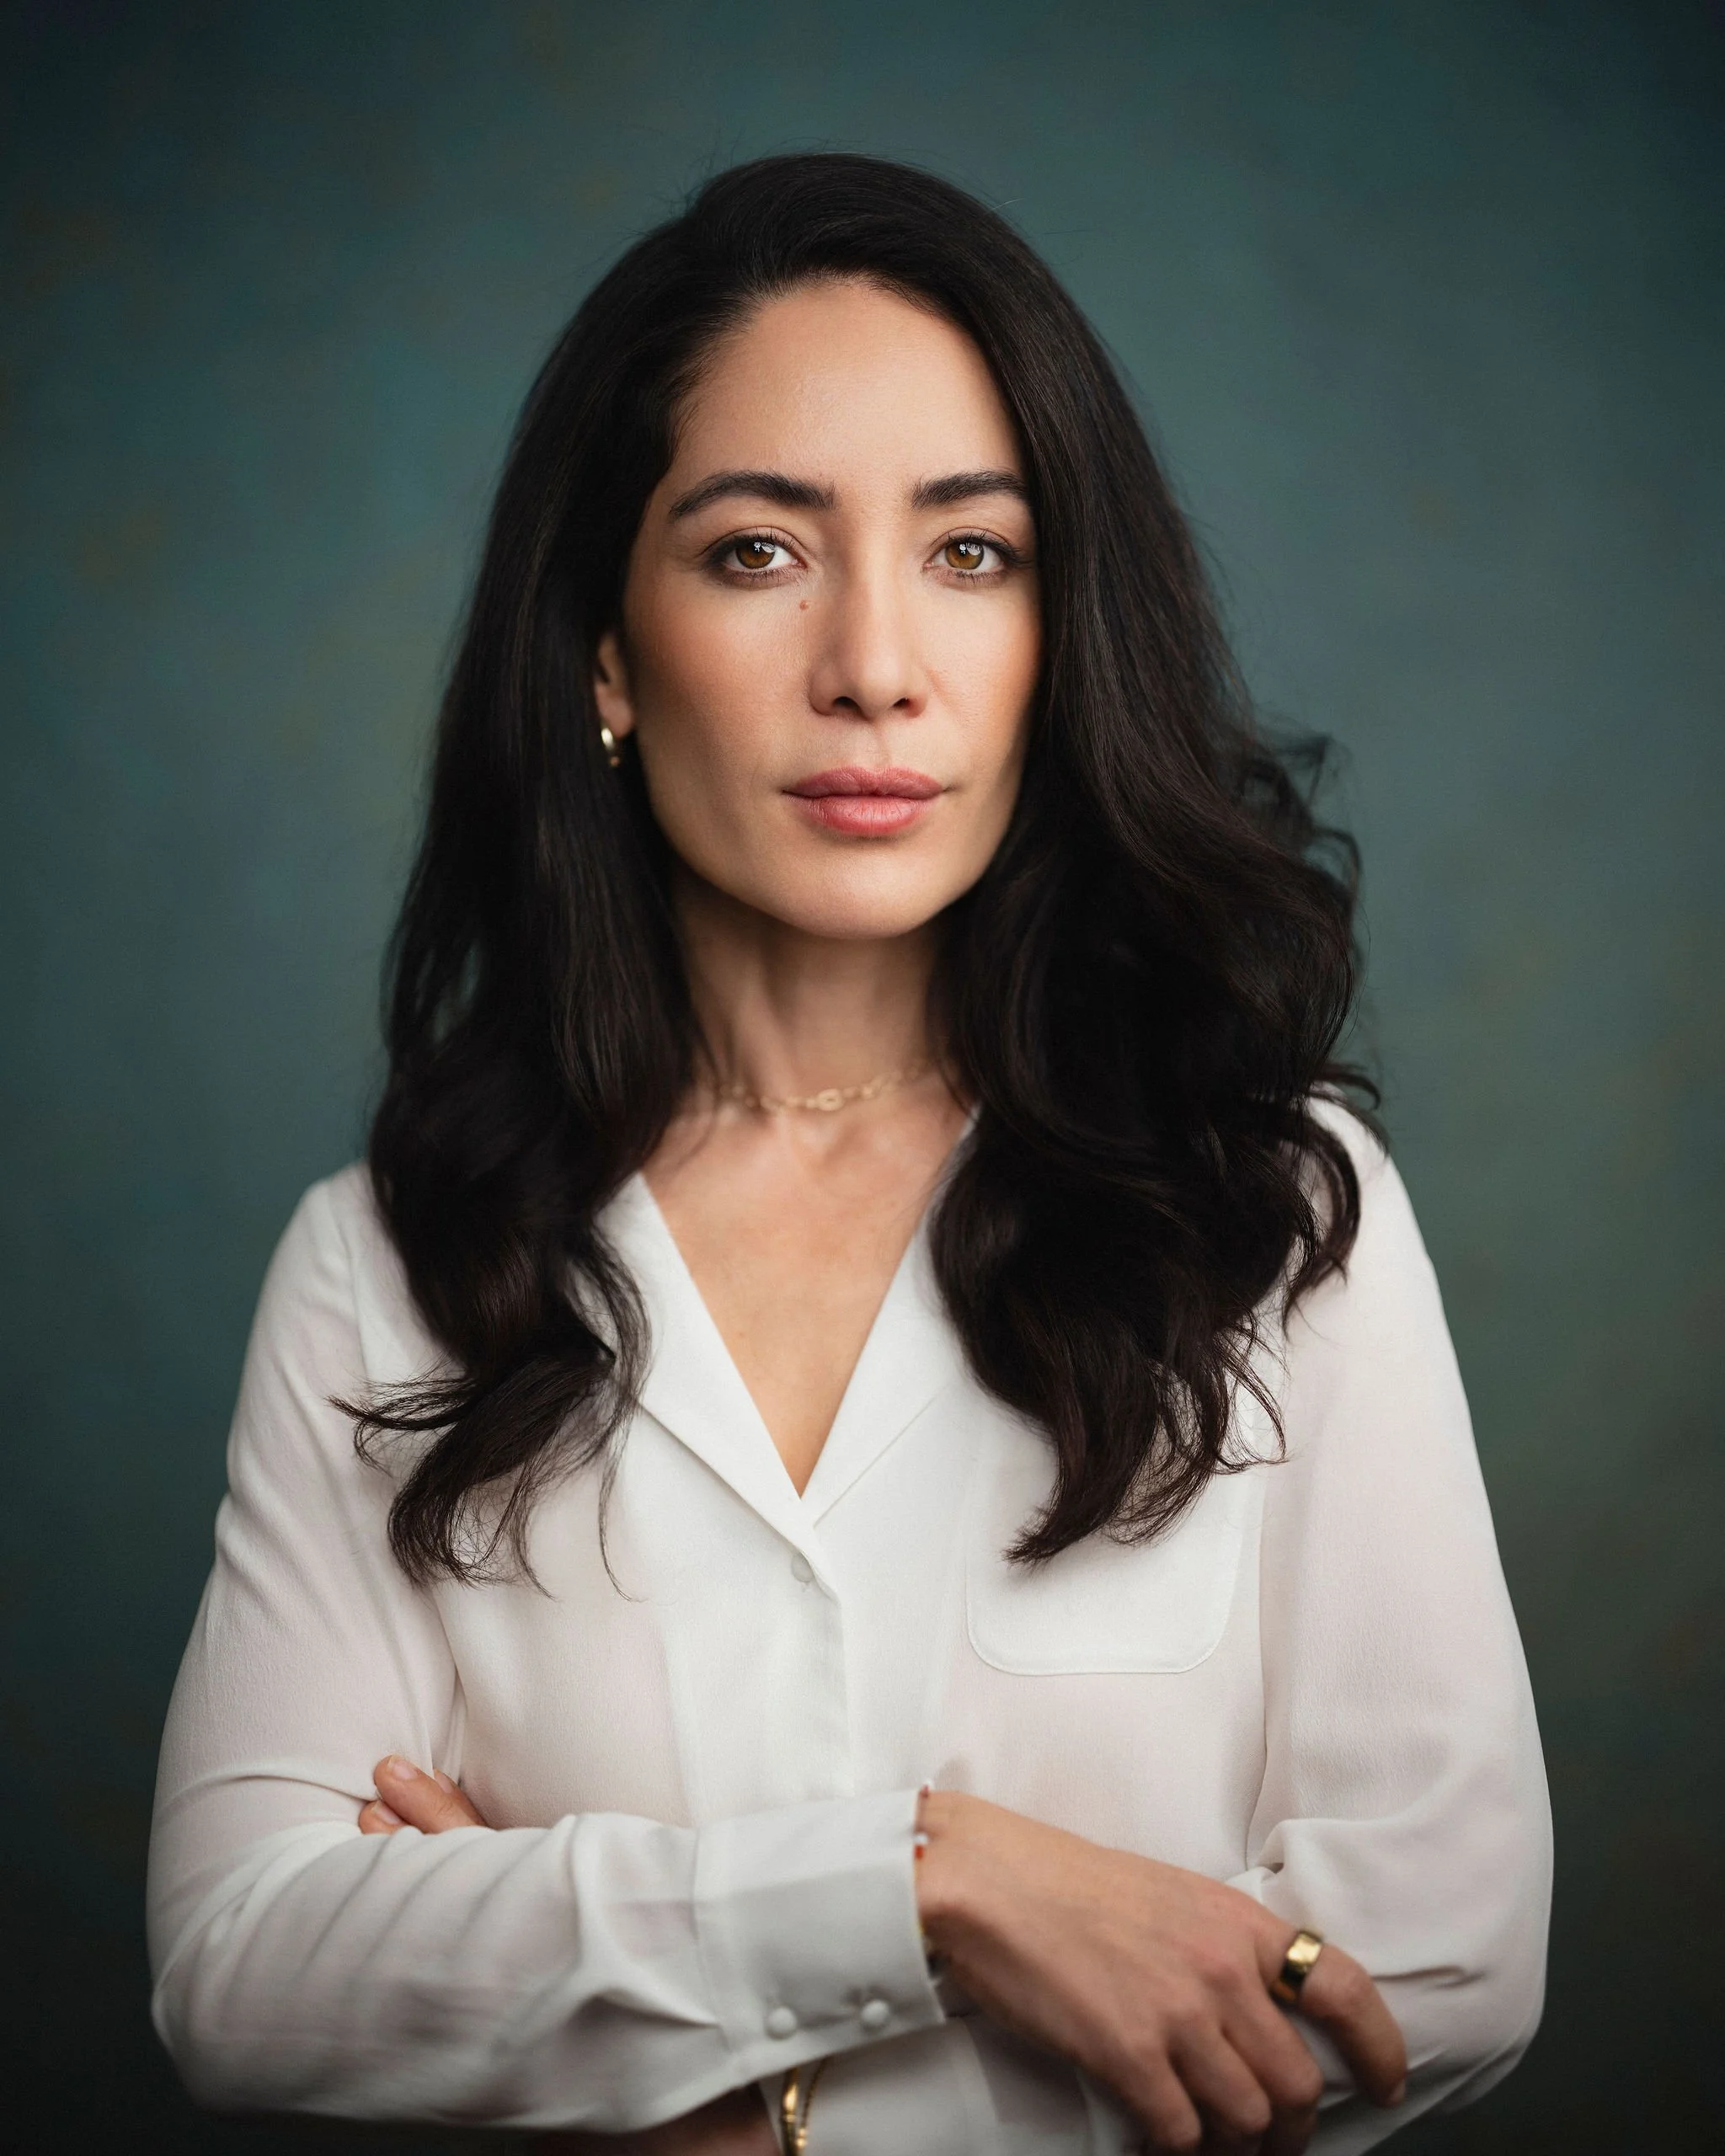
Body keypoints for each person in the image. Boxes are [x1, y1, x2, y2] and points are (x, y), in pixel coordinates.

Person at [147, 155, 1551, 2156]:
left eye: (973, 554)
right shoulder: (384, 1257)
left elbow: (1441, 1955)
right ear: (606, 658)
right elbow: (247, 1954)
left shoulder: (1272, 1207)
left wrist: (716, 2102)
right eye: (754, 553)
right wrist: (937, 1886)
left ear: (1061, 637)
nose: (875, 663)